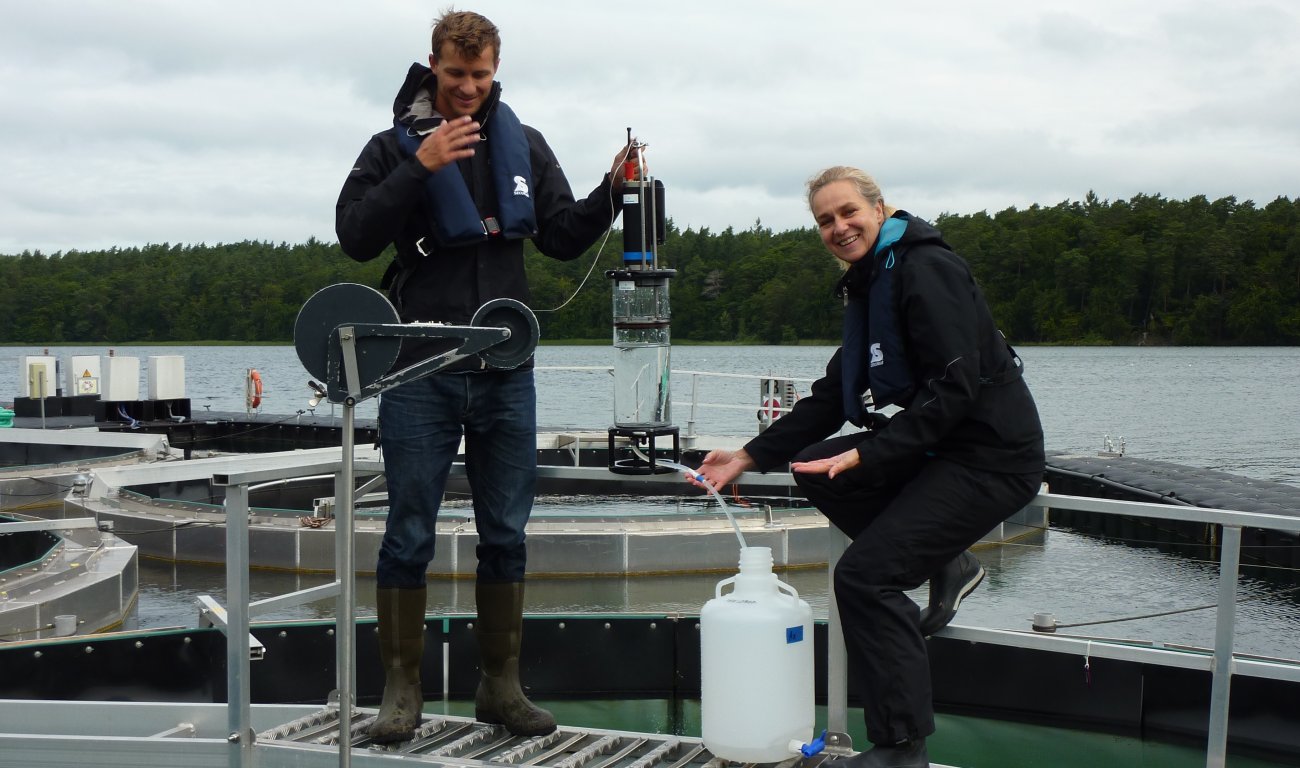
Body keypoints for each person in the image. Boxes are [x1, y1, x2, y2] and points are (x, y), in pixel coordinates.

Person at [335, 9, 637, 744]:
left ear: (495, 71)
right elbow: (353, 235)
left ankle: (501, 688)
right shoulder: (389, 147)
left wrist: (612, 190)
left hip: (506, 368)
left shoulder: (525, 145)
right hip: (420, 369)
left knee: (506, 532)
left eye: (480, 75)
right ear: (432, 67)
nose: (467, 88)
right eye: (455, 73)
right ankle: (400, 696)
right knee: (408, 533)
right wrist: (422, 165)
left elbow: (563, 237)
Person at [689, 167, 1045, 767]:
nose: (839, 227)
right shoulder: (872, 281)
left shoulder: (926, 269)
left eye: (848, 212)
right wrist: (749, 456)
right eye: (825, 220)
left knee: (865, 578)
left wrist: (871, 452)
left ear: (881, 209)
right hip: (941, 448)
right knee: (809, 465)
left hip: (992, 457)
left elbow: (954, 388)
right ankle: (947, 561)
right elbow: (833, 395)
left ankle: (903, 747)